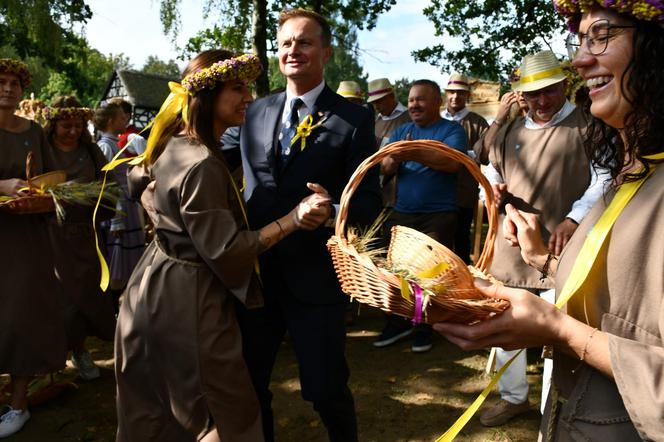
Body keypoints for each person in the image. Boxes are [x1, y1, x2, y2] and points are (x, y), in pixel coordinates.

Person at [435, 2, 664, 438]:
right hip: (526, 252)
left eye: (602, 34)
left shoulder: (589, 131)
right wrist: (538, 253)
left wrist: (557, 327)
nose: (581, 59)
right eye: (580, 40)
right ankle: (516, 398)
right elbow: (620, 300)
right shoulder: (632, 168)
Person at [115, 49, 333, 442]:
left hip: (150, 284)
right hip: (189, 299)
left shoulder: (172, 142)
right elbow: (228, 250)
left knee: (161, 405)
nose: (248, 97)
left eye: (248, 87)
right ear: (207, 96)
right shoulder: (203, 163)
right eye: (237, 88)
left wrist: (152, 198)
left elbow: (137, 176)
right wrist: (293, 219)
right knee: (223, 409)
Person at [238, 9, 382, 442]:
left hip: (316, 278)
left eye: (304, 42)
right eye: (285, 43)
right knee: (248, 383)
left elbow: (370, 201)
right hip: (256, 277)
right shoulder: (254, 111)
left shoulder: (353, 119)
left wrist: (333, 208)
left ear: (326, 52)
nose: (292, 51)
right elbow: (207, 149)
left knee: (325, 389)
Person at [473, 50, 610, 427]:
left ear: (565, 84)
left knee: (558, 331)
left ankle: (555, 406)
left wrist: (573, 218)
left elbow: (605, 178)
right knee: (505, 326)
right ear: (521, 95)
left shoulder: (589, 125)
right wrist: (493, 191)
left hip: (563, 248)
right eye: (533, 95)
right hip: (511, 247)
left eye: (549, 91)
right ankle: (514, 398)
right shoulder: (508, 132)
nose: (542, 101)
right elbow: (489, 173)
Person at [374, 79, 468, 353]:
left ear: (437, 102)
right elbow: (387, 166)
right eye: (412, 100)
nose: (414, 105)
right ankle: (400, 321)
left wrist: (413, 151)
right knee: (398, 270)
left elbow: (452, 163)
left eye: (421, 100)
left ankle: (425, 325)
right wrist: (396, 157)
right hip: (403, 211)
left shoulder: (452, 130)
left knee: (430, 273)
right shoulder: (402, 129)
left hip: (439, 214)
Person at [0, 58, 66, 438]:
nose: (8, 88)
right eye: (1, 81)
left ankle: (20, 402)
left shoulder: (34, 131)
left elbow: (51, 180)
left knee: (21, 314)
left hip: (27, 239)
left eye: (14, 83)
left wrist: (42, 196)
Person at [42, 96, 116, 381]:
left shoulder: (92, 151)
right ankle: (51, 355)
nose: (72, 131)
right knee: (61, 299)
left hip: (86, 236)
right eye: (66, 125)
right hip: (51, 237)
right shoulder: (43, 149)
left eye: (77, 125)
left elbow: (109, 187)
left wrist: (94, 197)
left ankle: (80, 351)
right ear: (53, 124)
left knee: (88, 295)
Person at [94, 102, 145, 311]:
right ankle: (111, 306)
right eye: (122, 118)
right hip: (118, 208)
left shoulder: (115, 143)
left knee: (126, 258)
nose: (126, 121)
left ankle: (118, 304)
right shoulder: (106, 146)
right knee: (117, 258)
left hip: (125, 205)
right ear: (110, 121)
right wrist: (116, 219)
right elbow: (107, 184)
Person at [441, 72, 489, 263]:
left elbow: (485, 154)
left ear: (467, 95)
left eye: (460, 93)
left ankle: (464, 286)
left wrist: (457, 153)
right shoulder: (436, 118)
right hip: (437, 191)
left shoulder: (478, 123)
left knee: (461, 238)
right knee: (438, 240)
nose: (455, 97)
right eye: (452, 92)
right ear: (446, 93)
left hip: (463, 191)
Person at [367, 77, 410, 208]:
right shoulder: (375, 121)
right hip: (378, 189)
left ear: (391, 96)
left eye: (379, 101)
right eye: (374, 103)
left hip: (403, 187)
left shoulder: (409, 118)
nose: (377, 106)